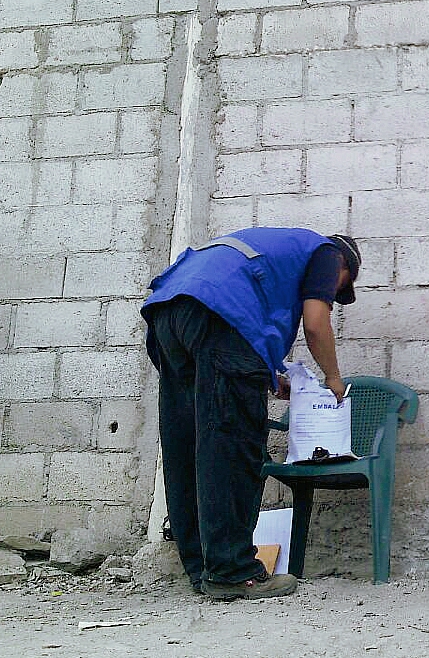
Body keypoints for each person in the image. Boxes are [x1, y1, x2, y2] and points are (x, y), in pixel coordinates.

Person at [141, 228, 361, 599]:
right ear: (345, 267)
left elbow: (227, 333)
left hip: (170, 311)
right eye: (340, 289)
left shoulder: (271, 246)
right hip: (220, 314)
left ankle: (202, 569)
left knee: (190, 441)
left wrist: (266, 375)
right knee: (233, 444)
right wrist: (334, 378)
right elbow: (314, 322)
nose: (334, 294)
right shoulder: (327, 252)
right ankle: (232, 571)